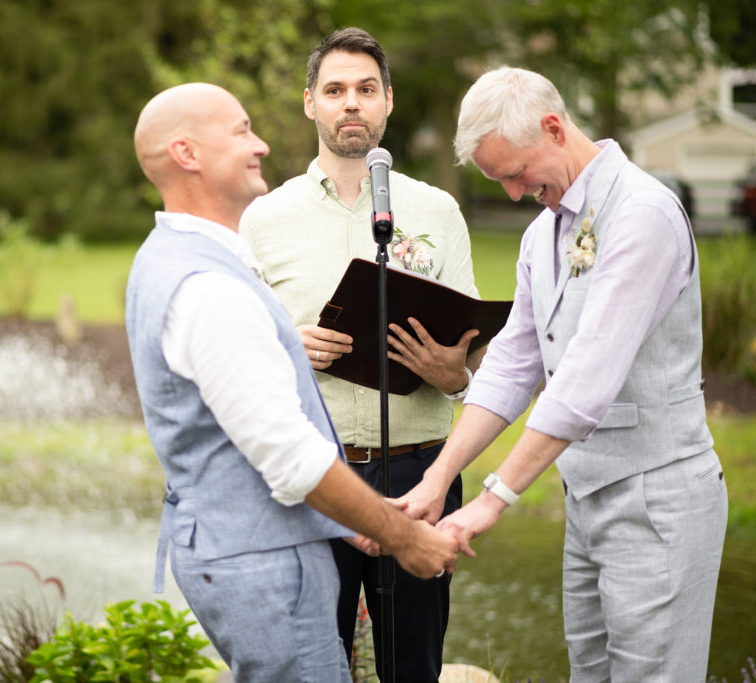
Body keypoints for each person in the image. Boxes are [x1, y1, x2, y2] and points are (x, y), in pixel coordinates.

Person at [399, 66, 728, 681]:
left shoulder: (643, 215)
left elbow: (583, 384)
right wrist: (438, 480)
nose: (515, 193)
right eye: (499, 181)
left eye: (517, 173)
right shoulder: (541, 234)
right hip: (587, 501)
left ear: (554, 128)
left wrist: (492, 500)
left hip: (657, 502)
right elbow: (510, 367)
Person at [126, 82, 461, 682]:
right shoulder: (208, 288)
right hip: (264, 562)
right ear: (187, 154)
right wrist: (402, 539)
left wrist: (351, 523)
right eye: (240, 131)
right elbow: (289, 457)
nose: (259, 144)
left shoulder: (172, 256)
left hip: (258, 542)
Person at [241, 27, 484, 682]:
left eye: (366, 90)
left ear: (388, 102)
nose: (352, 103)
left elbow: (477, 351)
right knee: (313, 665)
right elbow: (237, 354)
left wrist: (454, 371)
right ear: (309, 103)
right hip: (313, 480)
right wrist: (287, 343)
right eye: (336, 90)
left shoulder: (437, 210)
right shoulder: (263, 218)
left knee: (414, 666)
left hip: (420, 476)